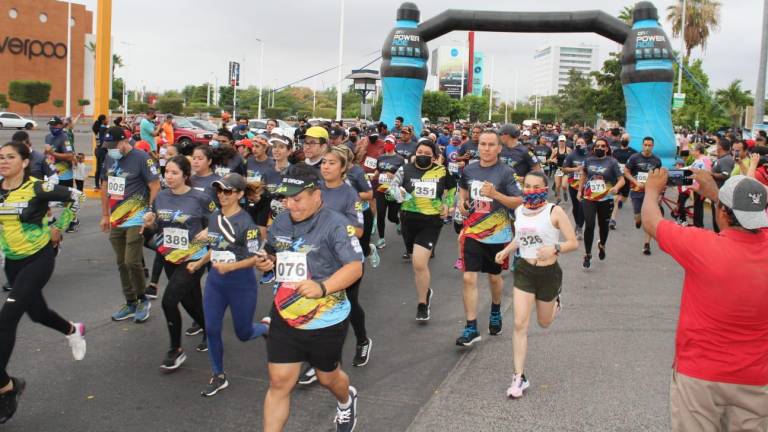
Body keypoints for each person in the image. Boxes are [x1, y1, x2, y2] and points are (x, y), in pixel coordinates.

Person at [641, 169, 768, 431]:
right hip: (756, 379)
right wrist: (716, 195)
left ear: (721, 212)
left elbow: (652, 222)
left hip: (700, 375)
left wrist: (652, 189)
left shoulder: (700, 245)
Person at [261, 164, 364, 432]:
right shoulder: (282, 220)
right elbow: (272, 250)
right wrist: (266, 260)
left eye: (297, 199)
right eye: (286, 199)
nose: (290, 206)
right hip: (285, 314)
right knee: (279, 382)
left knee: (327, 377)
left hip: (325, 317)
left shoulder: (337, 224)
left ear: (316, 195)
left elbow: (355, 267)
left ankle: (346, 400)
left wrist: (322, 287)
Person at [0, 141, 86, 425]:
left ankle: (6, 387)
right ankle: (73, 329)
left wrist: (59, 227)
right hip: (13, 262)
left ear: (24, 162)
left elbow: (78, 196)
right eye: (1, 157)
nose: (4, 161)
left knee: (7, 318)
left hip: (39, 258)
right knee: (37, 314)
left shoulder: (38, 187)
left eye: (10, 157)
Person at [494, 171, 578, 399]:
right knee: (520, 324)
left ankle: (555, 301)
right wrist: (506, 250)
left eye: (535, 187)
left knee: (544, 322)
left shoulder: (555, 211)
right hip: (525, 271)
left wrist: (556, 248)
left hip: (549, 273)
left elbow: (573, 243)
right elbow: (520, 237)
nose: (530, 190)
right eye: (527, 186)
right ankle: (519, 377)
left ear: (545, 187)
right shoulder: (519, 210)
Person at [185, 173, 270, 396]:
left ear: (240, 195)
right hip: (215, 282)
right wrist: (199, 262)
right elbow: (217, 246)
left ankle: (266, 328)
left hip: (241, 284)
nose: (222, 195)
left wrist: (230, 268)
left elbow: (256, 258)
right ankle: (218, 375)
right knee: (212, 328)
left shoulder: (246, 223)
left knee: (243, 333)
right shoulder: (215, 217)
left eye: (228, 191)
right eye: (220, 190)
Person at [142, 155, 215, 370]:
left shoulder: (200, 198)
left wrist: (209, 231)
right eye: (167, 173)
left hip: (193, 258)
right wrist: (150, 222)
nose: (169, 177)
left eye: (174, 173)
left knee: (169, 301)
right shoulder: (161, 197)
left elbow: (221, 221)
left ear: (185, 175)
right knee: (189, 300)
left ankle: (176, 350)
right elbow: (158, 227)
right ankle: (209, 331)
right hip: (170, 256)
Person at [455, 130, 522, 347]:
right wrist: (461, 204)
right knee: (468, 278)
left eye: (491, 144)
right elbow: (463, 191)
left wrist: (496, 195)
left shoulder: (506, 172)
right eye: (483, 144)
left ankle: (495, 309)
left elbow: (518, 201)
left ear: (499, 148)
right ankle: (471, 326)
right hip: (472, 230)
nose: (486, 148)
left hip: (497, 234)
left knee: (494, 278)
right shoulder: (470, 169)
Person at [100, 126, 161, 322]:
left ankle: (143, 299)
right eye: (108, 146)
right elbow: (104, 185)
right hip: (117, 218)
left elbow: (155, 186)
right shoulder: (110, 157)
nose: (111, 149)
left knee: (131, 260)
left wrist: (150, 212)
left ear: (124, 141)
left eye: (114, 145)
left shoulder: (142, 158)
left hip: (137, 217)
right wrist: (104, 214)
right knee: (121, 262)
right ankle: (131, 302)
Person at [389, 139, 455, 321]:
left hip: (431, 222)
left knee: (419, 263)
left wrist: (447, 205)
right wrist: (397, 194)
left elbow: (452, 188)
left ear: (434, 157)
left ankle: (422, 304)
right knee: (414, 258)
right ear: (414, 154)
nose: (423, 156)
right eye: (420, 153)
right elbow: (392, 187)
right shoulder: (404, 169)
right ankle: (426, 290)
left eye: (428, 154)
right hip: (408, 220)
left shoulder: (441, 171)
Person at [576, 138, 625, 270]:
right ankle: (587, 254)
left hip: (605, 198)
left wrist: (615, 188)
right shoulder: (588, 160)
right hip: (589, 197)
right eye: (597, 146)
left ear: (607, 148)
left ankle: (602, 245)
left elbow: (622, 180)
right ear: (594, 148)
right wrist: (579, 191)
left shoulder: (612, 162)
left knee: (603, 226)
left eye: (603, 146)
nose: (600, 148)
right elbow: (584, 175)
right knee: (590, 224)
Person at [624, 137, 662, 255]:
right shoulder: (634, 158)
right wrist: (635, 182)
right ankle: (638, 220)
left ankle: (647, 244)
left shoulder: (656, 160)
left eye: (649, 145)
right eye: (645, 145)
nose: (647, 147)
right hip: (636, 191)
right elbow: (626, 172)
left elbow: (659, 177)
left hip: (650, 193)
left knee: (648, 219)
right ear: (642, 145)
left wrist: (659, 192)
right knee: (638, 217)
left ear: (653, 146)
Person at [373, 135, 405, 248]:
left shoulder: (400, 159)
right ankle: (381, 239)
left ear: (394, 144)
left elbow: (403, 175)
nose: (387, 144)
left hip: (393, 189)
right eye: (386, 142)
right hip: (382, 188)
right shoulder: (380, 157)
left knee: (391, 216)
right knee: (380, 214)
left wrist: (394, 176)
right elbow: (378, 169)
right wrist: (373, 176)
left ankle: (397, 222)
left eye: (390, 142)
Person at [562, 137, 589, 239]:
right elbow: (564, 169)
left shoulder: (589, 155)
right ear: (575, 144)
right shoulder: (571, 155)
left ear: (586, 144)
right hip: (573, 184)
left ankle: (580, 227)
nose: (580, 144)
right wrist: (575, 169)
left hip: (585, 185)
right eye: (578, 142)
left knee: (582, 206)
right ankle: (578, 223)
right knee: (576, 206)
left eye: (582, 142)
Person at [609, 133, 635, 228]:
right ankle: (612, 220)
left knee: (624, 198)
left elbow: (635, 165)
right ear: (620, 139)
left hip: (627, 178)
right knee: (615, 199)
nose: (624, 140)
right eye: (623, 138)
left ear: (629, 140)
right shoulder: (616, 152)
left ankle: (620, 200)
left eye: (626, 139)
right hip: (617, 178)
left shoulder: (633, 153)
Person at [710, 139, 734, 233]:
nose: (716, 147)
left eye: (717, 145)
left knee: (719, 218)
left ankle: (720, 236)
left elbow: (726, 174)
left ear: (720, 147)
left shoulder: (726, 160)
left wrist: (712, 174)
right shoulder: (723, 158)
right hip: (717, 193)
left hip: (720, 194)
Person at [548, 135, 572, 204]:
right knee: (558, 186)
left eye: (563, 141)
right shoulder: (555, 150)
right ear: (558, 141)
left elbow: (572, 158)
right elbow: (549, 160)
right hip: (558, 169)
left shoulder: (568, 150)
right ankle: (558, 198)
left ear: (565, 142)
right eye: (560, 141)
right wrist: (552, 160)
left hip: (566, 170)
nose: (561, 142)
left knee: (564, 185)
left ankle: (564, 192)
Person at [92, 115, 109, 189]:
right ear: (103, 120)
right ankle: (102, 185)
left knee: (98, 168)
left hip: (97, 149)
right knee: (103, 168)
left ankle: (96, 184)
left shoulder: (97, 128)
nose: (107, 120)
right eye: (106, 119)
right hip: (102, 151)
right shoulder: (104, 129)